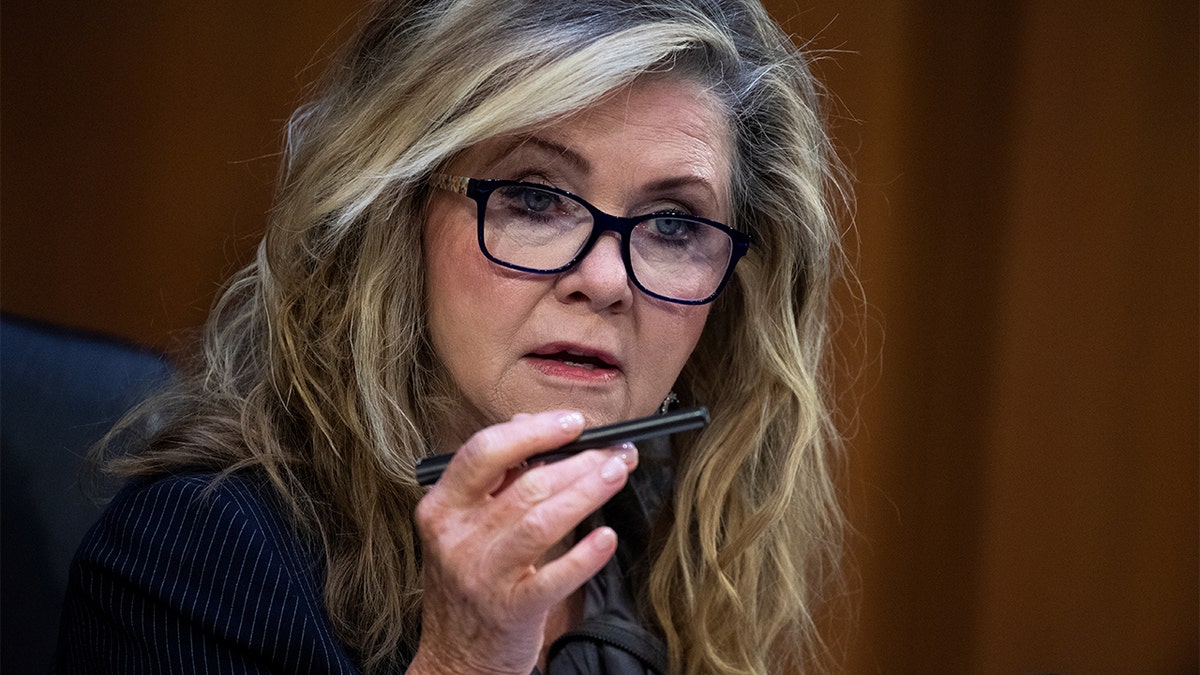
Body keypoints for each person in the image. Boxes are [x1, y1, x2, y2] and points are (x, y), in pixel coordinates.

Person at [57, 0, 849, 673]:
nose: (605, 280)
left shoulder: (675, 559)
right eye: (535, 199)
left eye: (675, 223)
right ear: (397, 222)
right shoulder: (192, 558)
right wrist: (463, 660)